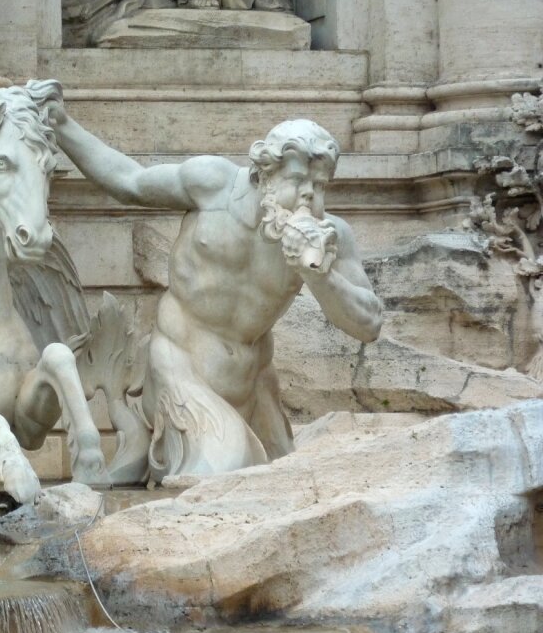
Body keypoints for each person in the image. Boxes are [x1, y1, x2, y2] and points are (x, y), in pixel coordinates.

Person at [48, 108, 384, 478]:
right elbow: (129, 180)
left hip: (253, 385)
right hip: (180, 367)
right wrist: (62, 126)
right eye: (299, 180)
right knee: (221, 474)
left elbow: (368, 324)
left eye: (320, 186)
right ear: (263, 174)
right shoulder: (212, 185)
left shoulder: (330, 237)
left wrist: (320, 275)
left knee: (286, 485)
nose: (309, 196)